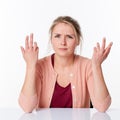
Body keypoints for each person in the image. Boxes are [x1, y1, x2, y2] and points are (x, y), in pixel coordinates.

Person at [18, 16, 113, 113]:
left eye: (69, 37)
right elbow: (27, 107)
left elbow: (102, 107)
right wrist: (30, 66)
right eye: (57, 36)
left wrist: (96, 66)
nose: (63, 42)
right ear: (51, 40)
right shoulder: (40, 66)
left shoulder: (88, 66)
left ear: (77, 41)